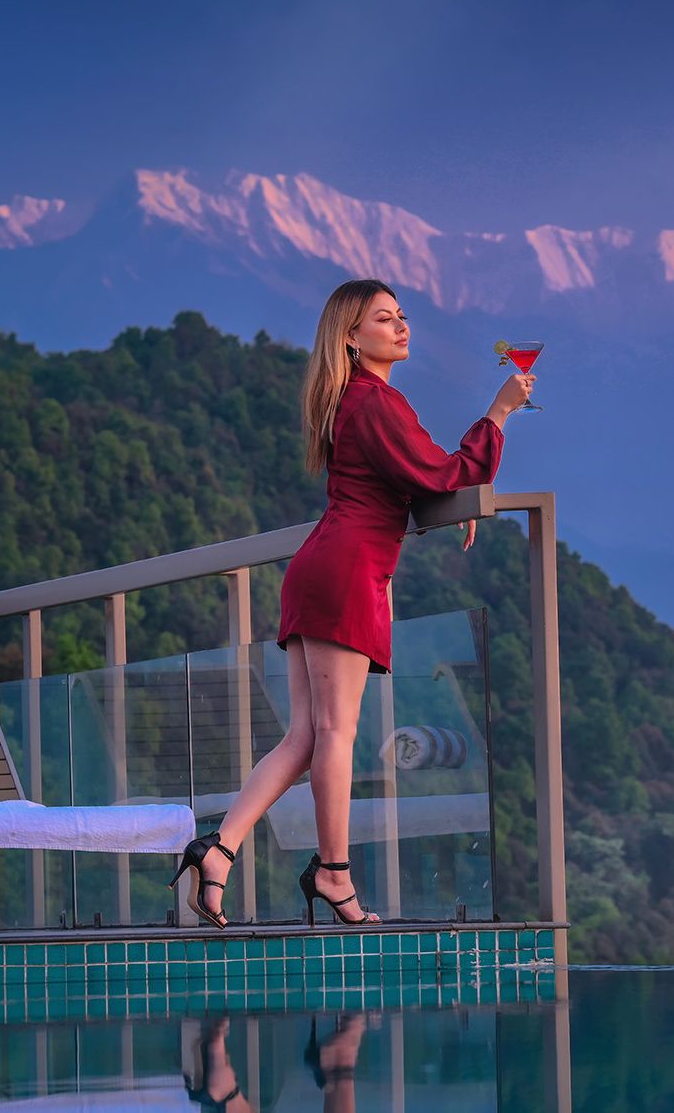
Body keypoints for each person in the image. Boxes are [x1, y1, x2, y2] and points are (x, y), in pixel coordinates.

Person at [171, 277, 534, 928]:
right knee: (335, 733)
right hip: (349, 574)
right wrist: (500, 411)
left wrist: (445, 507)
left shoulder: (348, 403)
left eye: (402, 317)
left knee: (307, 735)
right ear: (350, 335)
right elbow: (444, 473)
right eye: (385, 319)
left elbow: (411, 482)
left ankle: (217, 849)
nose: (402, 328)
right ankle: (334, 873)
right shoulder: (376, 403)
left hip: (321, 567)